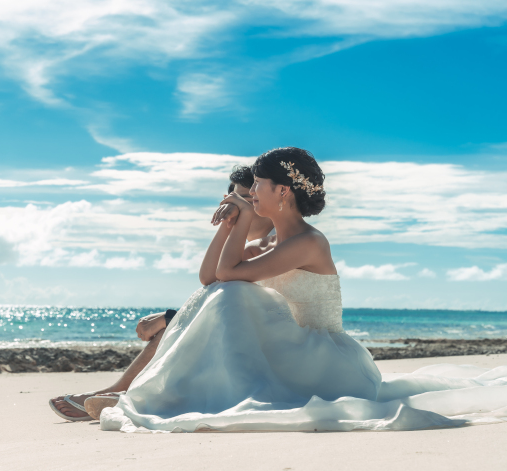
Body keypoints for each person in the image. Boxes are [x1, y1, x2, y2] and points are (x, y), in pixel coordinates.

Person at [93, 147, 507, 432]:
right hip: (285, 350)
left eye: (256, 186)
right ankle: (153, 393)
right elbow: (210, 277)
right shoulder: (264, 244)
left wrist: (238, 215)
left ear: (283, 191)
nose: (250, 194)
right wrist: (230, 223)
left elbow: (229, 275)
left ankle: (147, 393)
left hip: (323, 357)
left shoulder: (309, 242)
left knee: (233, 293)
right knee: (224, 293)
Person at [48, 165, 274, 421]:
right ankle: (118, 392)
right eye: (231, 199)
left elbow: (224, 291)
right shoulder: (248, 244)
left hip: (270, 342)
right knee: (176, 330)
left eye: (245, 199)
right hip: (249, 334)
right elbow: (211, 282)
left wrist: (170, 317)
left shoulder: (270, 243)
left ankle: (121, 393)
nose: (233, 206)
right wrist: (228, 225)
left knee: (178, 329)